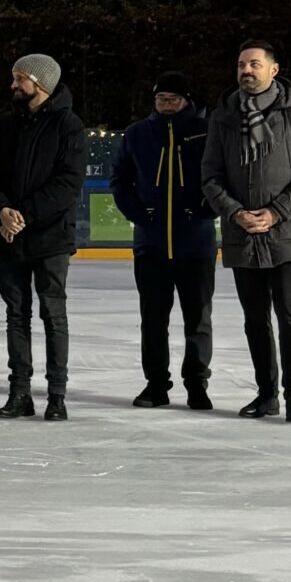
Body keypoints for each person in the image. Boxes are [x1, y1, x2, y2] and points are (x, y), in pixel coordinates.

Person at [202, 41, 291, 423]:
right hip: (242, 235)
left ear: (273, 70)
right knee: (255, 319)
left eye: (255, 64)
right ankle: (266, 394)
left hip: (287, 234)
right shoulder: (223, 118)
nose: (246, 70)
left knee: (290, 316)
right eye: (241, 64)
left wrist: (275, 213)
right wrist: (236, 213)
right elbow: (210, 175)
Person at [0, 52, 85, 420]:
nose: (13, 85)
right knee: (16, 316)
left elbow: (68, 184)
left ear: (40, 84)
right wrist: (3, 211)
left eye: (19, 78)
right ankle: (19, 393)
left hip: (49, 238)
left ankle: (57, 395)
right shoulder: (4, 125)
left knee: (53, 315)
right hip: (7, 237)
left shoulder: (68, 126)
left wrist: (25, 214)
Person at [110, 72, 216, 410]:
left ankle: (197, 384)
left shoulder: (206, 132)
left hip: (196, 246)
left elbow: (222, 175)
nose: (166, 105)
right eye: (160, 100)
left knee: (197, 318)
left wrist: (204, 209)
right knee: (153, 319)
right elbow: (120, 180)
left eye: (173, 99)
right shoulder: (138, 133)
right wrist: (141, 215)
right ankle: (156, 384)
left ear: (187, 100)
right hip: (150, 246)